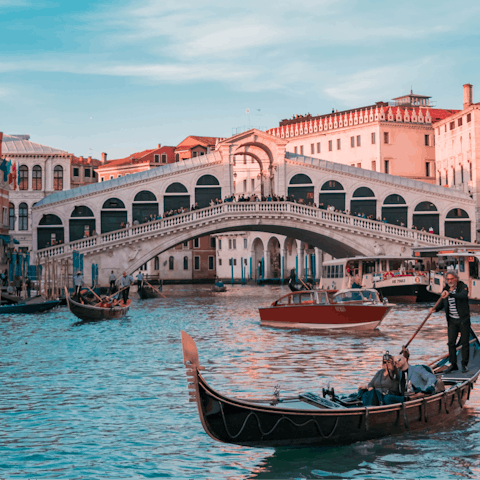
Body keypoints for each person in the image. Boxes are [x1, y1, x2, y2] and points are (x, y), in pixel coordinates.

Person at [429, 270, 471, 373]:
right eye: (448, 279)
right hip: (452, 321)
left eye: (452, 279)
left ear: (456, 278)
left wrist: (450, 295)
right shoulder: (445, 289)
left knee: (465, 343)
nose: (450, 281)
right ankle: (453, 364)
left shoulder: (462, 286)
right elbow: (443, 303)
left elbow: (463, 295)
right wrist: (434, 309)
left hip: (463, 320)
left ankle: (464, 364)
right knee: (451, 343)